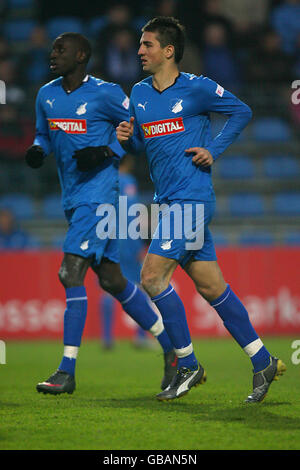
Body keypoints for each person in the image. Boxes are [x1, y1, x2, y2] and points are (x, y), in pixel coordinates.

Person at [116, 16, 286, 402]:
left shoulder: (197, 88)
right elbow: (143, 148)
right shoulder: (139, 93)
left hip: (192, 199)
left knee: (152, 277)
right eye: (140, 45)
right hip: (167, 201)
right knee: (212, 287)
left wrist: (215, 150)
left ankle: (188, 364)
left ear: (168, 51)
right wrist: (127, 140)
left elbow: (241, 111)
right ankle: (263, 360)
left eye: (147, 45)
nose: (140, 51)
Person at [25, 32, 177, 395]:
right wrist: (36, 148)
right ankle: (175, 352)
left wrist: (107, 151)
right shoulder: (45, 94)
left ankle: (67, 371)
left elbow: (135, 127)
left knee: (69, 272)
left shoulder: (106, 93)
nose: (53, 53)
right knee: (111, 279)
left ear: (82, 55)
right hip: (73, 198)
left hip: (99, 197)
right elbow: (42, 134)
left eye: (61, 49)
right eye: (53, 49)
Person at [99, 154, 153, 350]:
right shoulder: (128, 181)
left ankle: (106, 338)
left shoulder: (104, 180)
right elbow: (131, 213)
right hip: (126, 240)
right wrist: (138, 245)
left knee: (108, 287)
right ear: (128, 162)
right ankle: (140, 336)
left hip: (106, 239)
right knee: (138, 286)